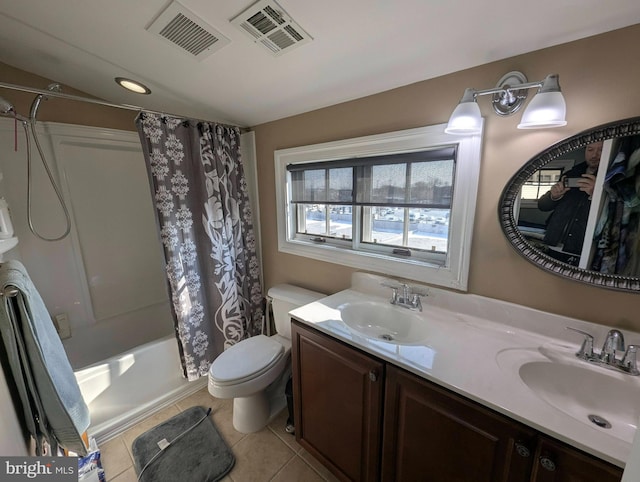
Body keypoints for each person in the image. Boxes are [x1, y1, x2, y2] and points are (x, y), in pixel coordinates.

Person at [537, 141, 604, 256]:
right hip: (552, 241)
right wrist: (554, 196)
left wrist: (596, 195)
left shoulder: (610, 178)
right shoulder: (572, 173)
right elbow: (542, 206)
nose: (594, 155)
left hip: (581, 248)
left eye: (601, 150)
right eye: (590, 149)